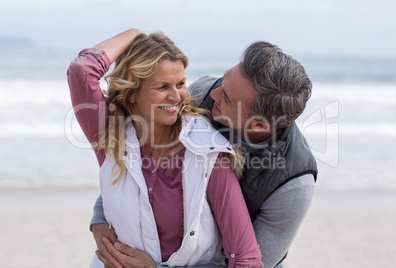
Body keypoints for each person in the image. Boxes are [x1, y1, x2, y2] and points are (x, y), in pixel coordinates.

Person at [90, 31, 318, 268]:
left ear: (259, 124)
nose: (213, 94)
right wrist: (101, 217)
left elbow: (247, 264)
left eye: (227, 97)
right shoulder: (205, 92)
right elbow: (139, 159)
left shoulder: (293, 187)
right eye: (223, 80)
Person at [67, 29, 263, 267]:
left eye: (180, 83)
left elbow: (246, 259)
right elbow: (82, 70)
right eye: (162, 87)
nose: (177, 96)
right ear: (131, 93)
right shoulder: (110, 135)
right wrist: (135, 34)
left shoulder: (208, 153)